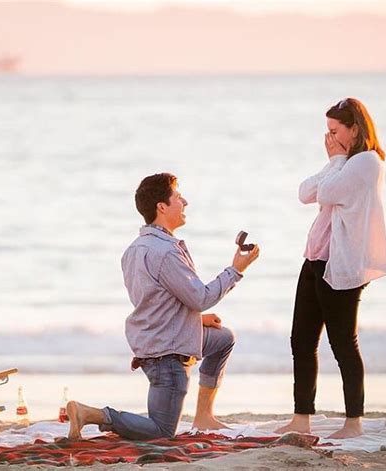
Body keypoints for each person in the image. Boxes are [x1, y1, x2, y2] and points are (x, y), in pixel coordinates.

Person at [66, 172, 260, 440]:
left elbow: (154, 301)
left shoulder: (134, 249)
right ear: (162, 207)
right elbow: (200, 298)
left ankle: (205, 415)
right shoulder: (166, 252)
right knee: (161, 431)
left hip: (157, 341)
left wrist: (196, 319)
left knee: (223, 338)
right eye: (179, 197)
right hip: (167, 354)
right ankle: (93, 414)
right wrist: (236, 270)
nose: (185, 202)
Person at [276, 98, 386, 439]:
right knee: (301, 340)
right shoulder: (343, 162)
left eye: (334, 131)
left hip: (340, 264)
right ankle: (301, 417)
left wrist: (336, 161)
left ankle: (353, 422)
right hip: (315, 258)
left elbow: (327, 191)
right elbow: (305, 192)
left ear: (354, 129)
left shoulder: (367, 162)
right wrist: (335, 162)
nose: (328, 139)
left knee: (343, 343)